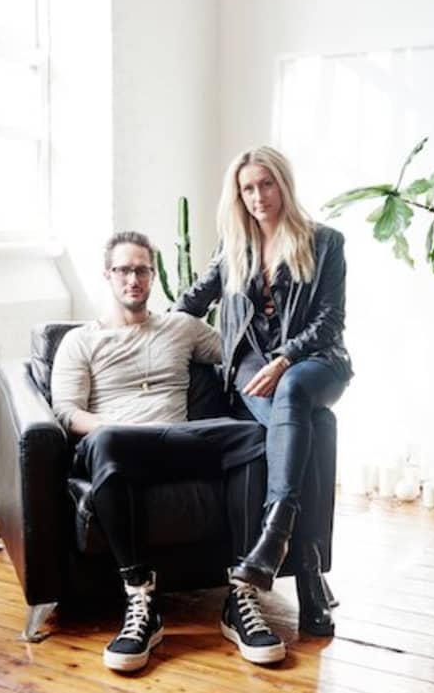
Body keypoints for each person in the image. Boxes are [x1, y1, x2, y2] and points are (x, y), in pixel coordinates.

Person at [51, 230, 287, 673]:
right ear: (108, 275)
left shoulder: (181, 327)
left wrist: (288, 356)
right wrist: (109, 426)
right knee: (103, 441)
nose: (133, 279)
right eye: (124, 270)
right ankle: (141, 600)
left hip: (179, 441)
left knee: (252, 435)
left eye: (142, 270)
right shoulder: (81, 341)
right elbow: (66, 411)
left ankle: (240, 594)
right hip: (120, 446)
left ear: (153, 275)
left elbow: (239, 352)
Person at [175, 146, 353, 637]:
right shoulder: (234, 250)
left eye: (266, 184)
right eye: (247, 188)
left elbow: (330, 321)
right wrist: (133, 334)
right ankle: (310, 575)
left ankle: (273, 539)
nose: (258, 196)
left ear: (283, 184)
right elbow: (190, 302)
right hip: (253, 372)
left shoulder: (326, 242)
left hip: (315, 363)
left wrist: (285, 358)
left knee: (295, 389)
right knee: (310, 429)